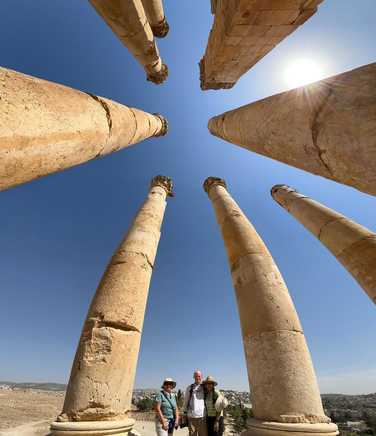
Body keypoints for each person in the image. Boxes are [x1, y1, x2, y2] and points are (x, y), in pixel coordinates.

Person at [183, 370, 207, 436]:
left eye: (199, 376)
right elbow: (186, 401)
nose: (197, 378)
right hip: (191, 416)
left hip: (202, 416)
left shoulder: (205, 387)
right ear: (193, 377)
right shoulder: (189, 388)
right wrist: (184, 413)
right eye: (196, 376)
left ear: (201, 377)